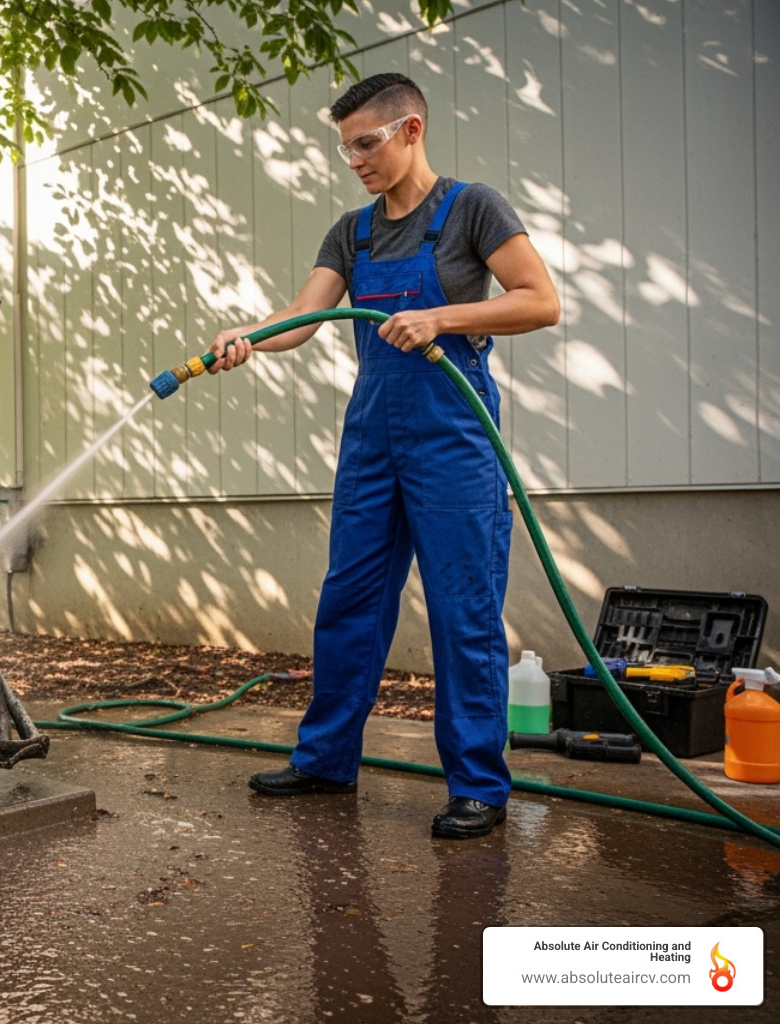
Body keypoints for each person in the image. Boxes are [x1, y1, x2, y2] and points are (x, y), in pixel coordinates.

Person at [205, 73, 559, 839]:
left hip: (455, 437)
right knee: (349, 602)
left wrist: (442, 316)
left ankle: (477, 786)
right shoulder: (353, 232)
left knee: (463, 613)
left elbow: (540, 299)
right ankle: (326, 759)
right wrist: (249, 337)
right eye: (347, 148)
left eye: (367, 143)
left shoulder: (473, 208)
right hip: (372, 440)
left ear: (411, 130)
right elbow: (305, 317)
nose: (356, 160)